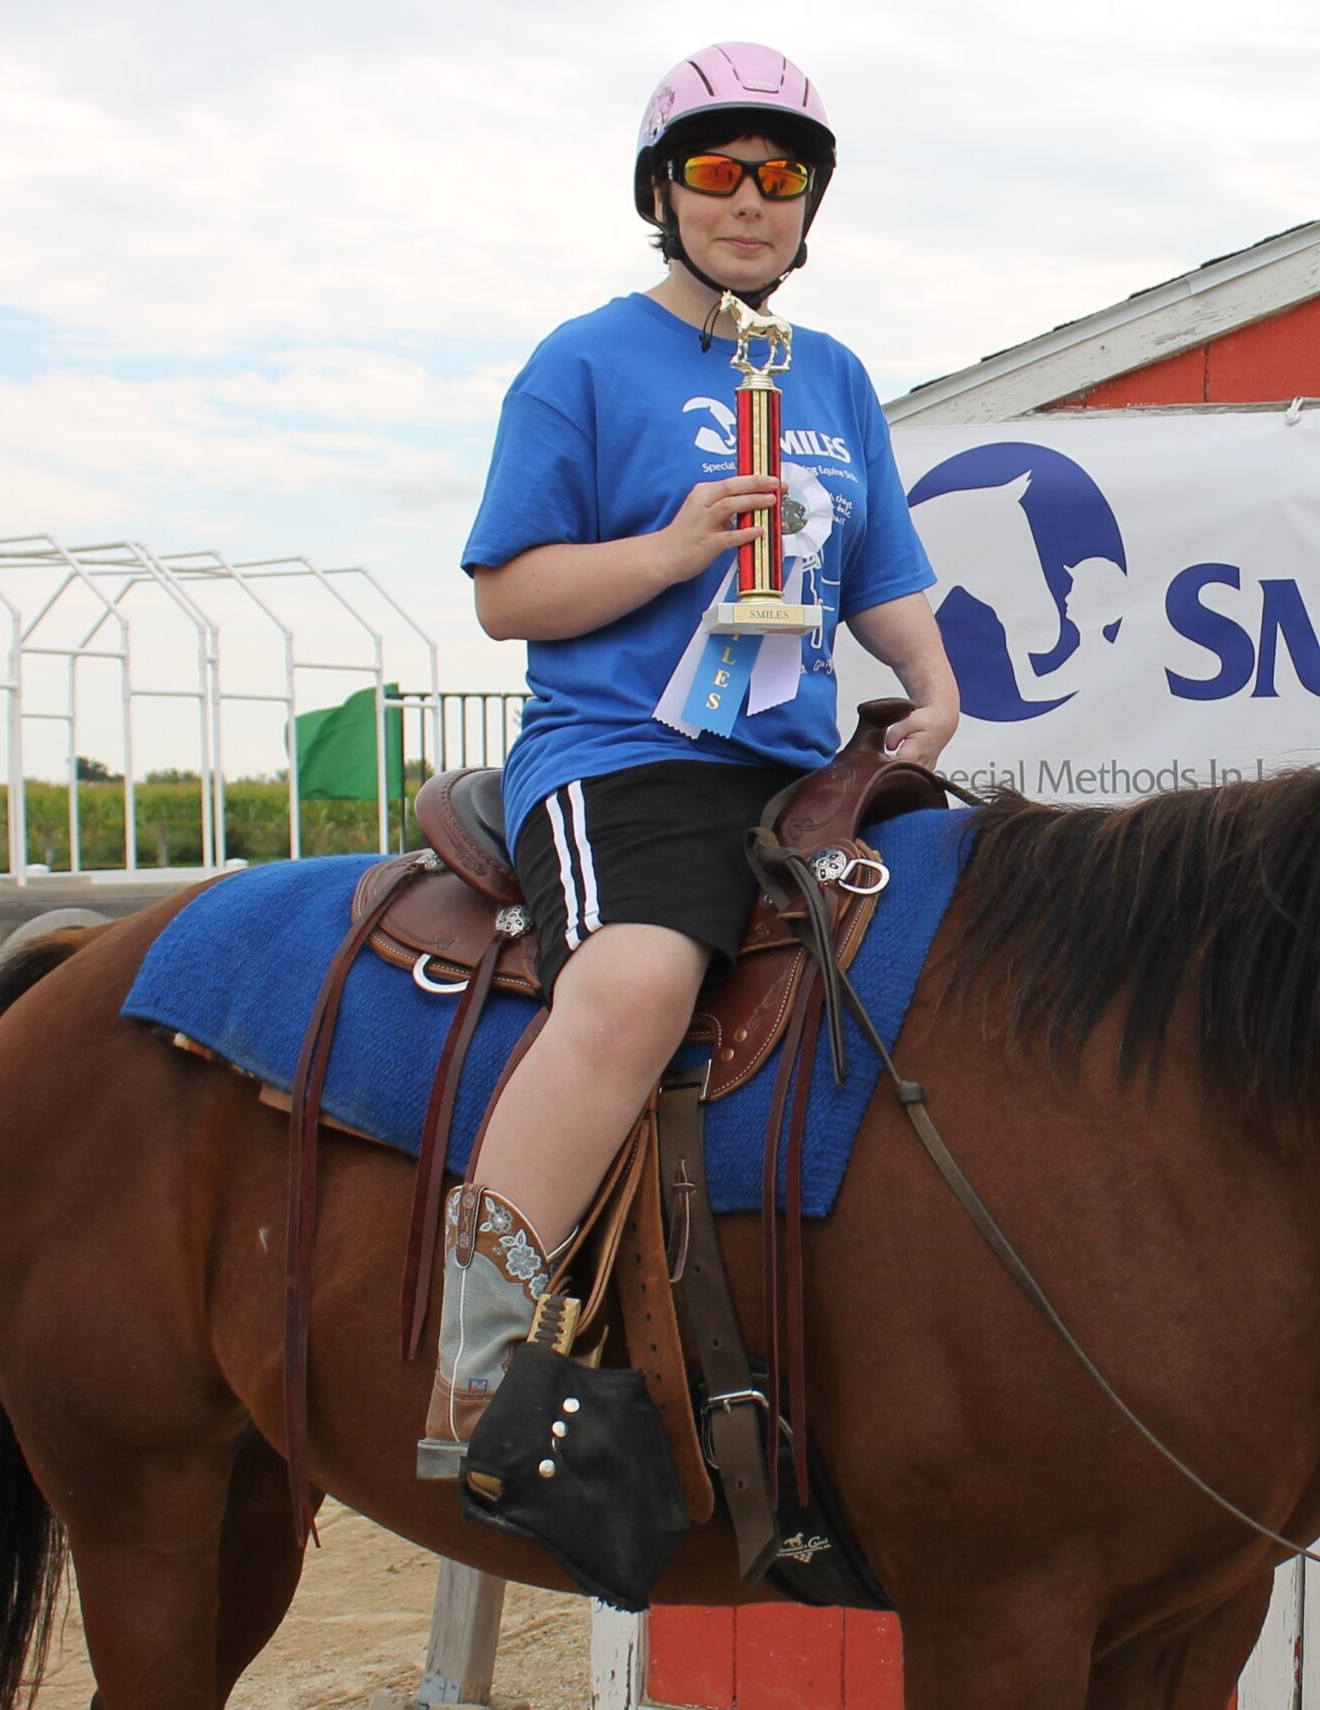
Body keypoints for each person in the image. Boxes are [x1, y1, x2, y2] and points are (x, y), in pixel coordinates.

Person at [422, 41, 957, 1479]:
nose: (752, 200)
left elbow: (883, 568)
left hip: (800, 770)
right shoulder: (584, 359)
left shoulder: (832, 374)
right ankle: (473, 1366)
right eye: (720, 171)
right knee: (639, 985)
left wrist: (930, 673)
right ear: (664, 192)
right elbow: (507, 594)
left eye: (782, 177)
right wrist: (670, 550)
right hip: (624, 756)